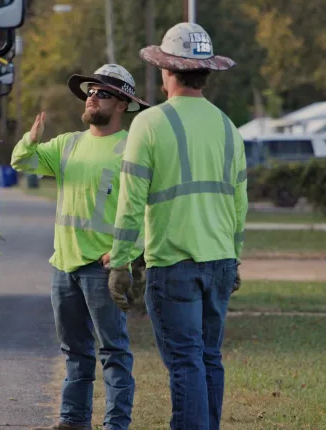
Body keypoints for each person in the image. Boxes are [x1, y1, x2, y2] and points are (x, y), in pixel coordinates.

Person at [107, 23, 248, 430]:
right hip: (220, 262)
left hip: (174, 263)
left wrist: (120, 263)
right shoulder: (228, 128)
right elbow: (239, 204)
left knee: (186, 361)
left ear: (167, 71)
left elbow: (131, 203)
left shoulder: (149, 125)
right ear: (205, 72)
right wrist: (234, 258)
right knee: (208, 358)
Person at [11, 64, 149, 430]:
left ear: (122, 104)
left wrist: (124, 256)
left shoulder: (130, 150)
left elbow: (145, 210)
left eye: (102, 93)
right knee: (74, 352)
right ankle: (73, 421)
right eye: (90, 91)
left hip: (102, 268)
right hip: (64, 266)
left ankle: (116, 424)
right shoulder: (67, 144)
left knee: (114, 353)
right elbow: (22, 161)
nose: (91, 97)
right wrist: (31, 138)